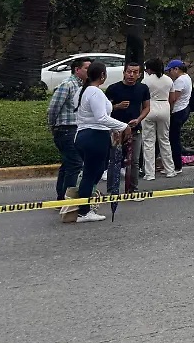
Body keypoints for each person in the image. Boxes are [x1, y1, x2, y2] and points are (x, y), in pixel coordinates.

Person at [71, 62, 135, 223]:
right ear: (102, 75)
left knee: (96, 171)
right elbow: (101, 118)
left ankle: (85, 204)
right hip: (94, 136)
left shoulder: (82, 91)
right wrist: (123, 126)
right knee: (91, 174)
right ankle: (83, 211)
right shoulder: (95, 92)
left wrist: (114, 129)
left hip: (83, 135)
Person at [48, 56, 90, 204]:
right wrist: (53, 126)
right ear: (77, 70)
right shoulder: (67, 85)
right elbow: (53, 108)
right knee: (75, 163)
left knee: (68, 164)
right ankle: (68, 201)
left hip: (77, 130)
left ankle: (62, 198)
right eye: (86, 68)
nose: (89, 71)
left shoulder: (84, 86)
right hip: (66, 130)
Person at [106, 62, 151, 186]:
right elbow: (104, 110)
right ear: (124, 73)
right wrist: (117, 106)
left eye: (135, 72)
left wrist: (139, 119)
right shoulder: (113, 88)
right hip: (117, 130)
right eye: (129, 72)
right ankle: (112, 189)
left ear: (139, 75)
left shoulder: (143, 88)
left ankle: (133, 188)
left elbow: (147, 107)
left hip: (135, 128)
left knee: (134, 161)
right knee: (115, 159)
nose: (131, 75)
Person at [141, 57, 175, 179]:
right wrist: (169, 110)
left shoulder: (146, 81)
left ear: (150, 69)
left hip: (150, 108)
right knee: (164, 140)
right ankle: (170, 170)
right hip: (164, 106)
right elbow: (172, 98)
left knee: (148, 142)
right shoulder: (168, 80)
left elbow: (142, 98)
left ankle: (149, 173)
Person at [167, 59, 193, 173]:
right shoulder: (187, 77)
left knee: (174, 139)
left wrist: (168, 110)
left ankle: (177, 165)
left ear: (176, 69)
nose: (169, 73)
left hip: (178, 111)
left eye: (170, 71)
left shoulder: (180, 81)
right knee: (173, 138)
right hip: (184, 108)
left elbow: (173, 99)